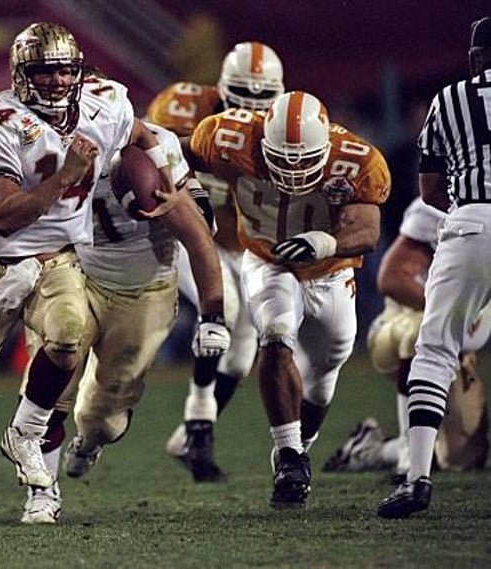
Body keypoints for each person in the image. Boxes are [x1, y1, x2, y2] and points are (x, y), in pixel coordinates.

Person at [0, 22, 181, 537]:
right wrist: (64, 179)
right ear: (22, 75)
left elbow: (139, 133)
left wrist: (166, 170)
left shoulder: (105, 102)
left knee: (69, 335)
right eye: (44, 71)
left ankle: (25, 434)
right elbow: (3, 217)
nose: (56, 80)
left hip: (58, 261)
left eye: (66, 69)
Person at [185, 90, 391, 508]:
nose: (294, 169)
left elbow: (367, 232)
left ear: (326, 146)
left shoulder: (357, 158)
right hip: (266, 257)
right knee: (275, 337)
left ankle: (300, 447)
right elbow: (179, 161)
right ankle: (290, 456)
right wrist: (194, 193)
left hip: (331, 271)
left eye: (304, 159)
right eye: (282, 157)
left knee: (326, 367)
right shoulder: (224, 136)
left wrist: (327, 242)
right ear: (262, 139)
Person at [18, 120, 230, 524]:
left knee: (101, 419)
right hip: (75, 273)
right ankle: (41, 491)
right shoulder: (43, 143)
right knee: (50, 388)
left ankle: (91, 441)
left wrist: (213, 313)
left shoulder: (154, 148)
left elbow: (199, 236)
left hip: (143, 292)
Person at [146, 41, 284, 482]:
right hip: (188, 232)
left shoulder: (284, 125)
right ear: (223, 86)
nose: (254, 104)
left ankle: (193, 433)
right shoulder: (184, 106)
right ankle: (198, 423)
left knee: (245, 344)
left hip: (241, 241)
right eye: (244, 91)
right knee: (222, 310)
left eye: (264, 95)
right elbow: (145, 162)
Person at [377, 17, 491, 519]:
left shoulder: (449, 99)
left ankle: (416, 478)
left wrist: (470, 209)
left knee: (434, 349)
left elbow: (428, 190)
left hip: (468, 224)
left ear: (472, 59)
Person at [323, 197, 489, 476]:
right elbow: (391, 277)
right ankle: (409, 456)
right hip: (400, 328)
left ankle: (373, 449)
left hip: (460, 353)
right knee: (419, 333)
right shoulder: (444, 204)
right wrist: (444, 311)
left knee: (460, 458)